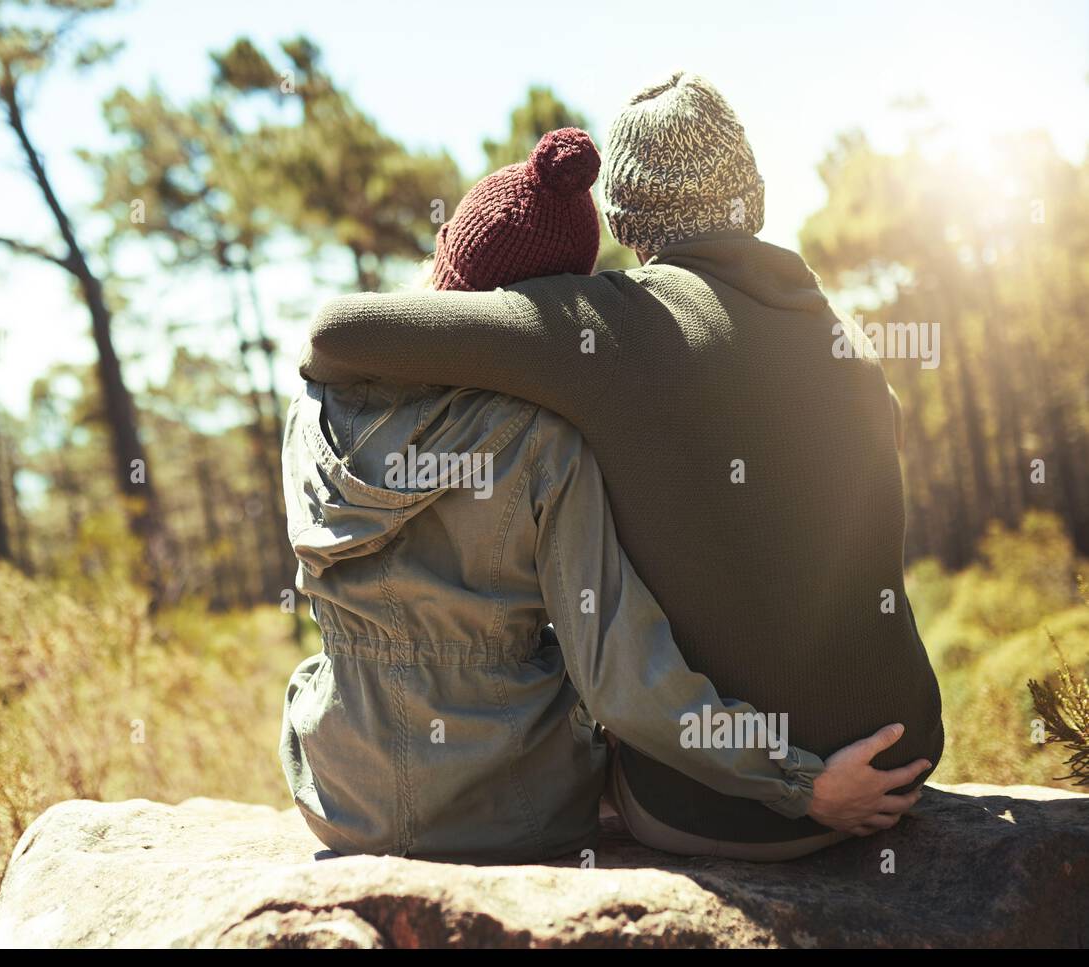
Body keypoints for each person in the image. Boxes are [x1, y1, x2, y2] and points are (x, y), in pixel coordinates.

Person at [298, 73, 943, 859]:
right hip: (899, 764)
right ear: (759, 196)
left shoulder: (612, 326)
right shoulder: (852, 346)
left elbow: (338, 332)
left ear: (630, 224)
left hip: (733, 814)